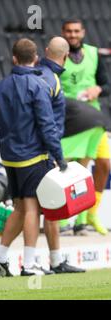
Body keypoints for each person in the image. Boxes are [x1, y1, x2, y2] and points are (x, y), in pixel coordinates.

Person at [0, 38, 67, 277]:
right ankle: (29, 265)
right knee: (32, 209)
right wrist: (59, 157)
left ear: (13, 58)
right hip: (33, 156)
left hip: (9, 157)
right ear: (36, 58)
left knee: (20, 208)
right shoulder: (38, 85)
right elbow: (46, 124)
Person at [35, 37, 85, 273]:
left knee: (29, 208)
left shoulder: (39, 74)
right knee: (46, 206)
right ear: (65, 57)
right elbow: (48, 123)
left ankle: (1, 255)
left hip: (32, 149)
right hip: (43, 151)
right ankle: (50, 261)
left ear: (46, 51)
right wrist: (57, 154)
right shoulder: (51, 79)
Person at [59, 19, 110, 236]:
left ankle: (87, 215)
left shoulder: (93, 53)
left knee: (104, 165)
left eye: (76, 31)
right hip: (68, 118)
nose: (73, 35)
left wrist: (98, 89)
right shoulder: (58, 55)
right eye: (69, 31)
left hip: (93, 119)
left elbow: (107, 85)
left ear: (83, 32)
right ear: (63, 33)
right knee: (67, 168)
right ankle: (62, 219)